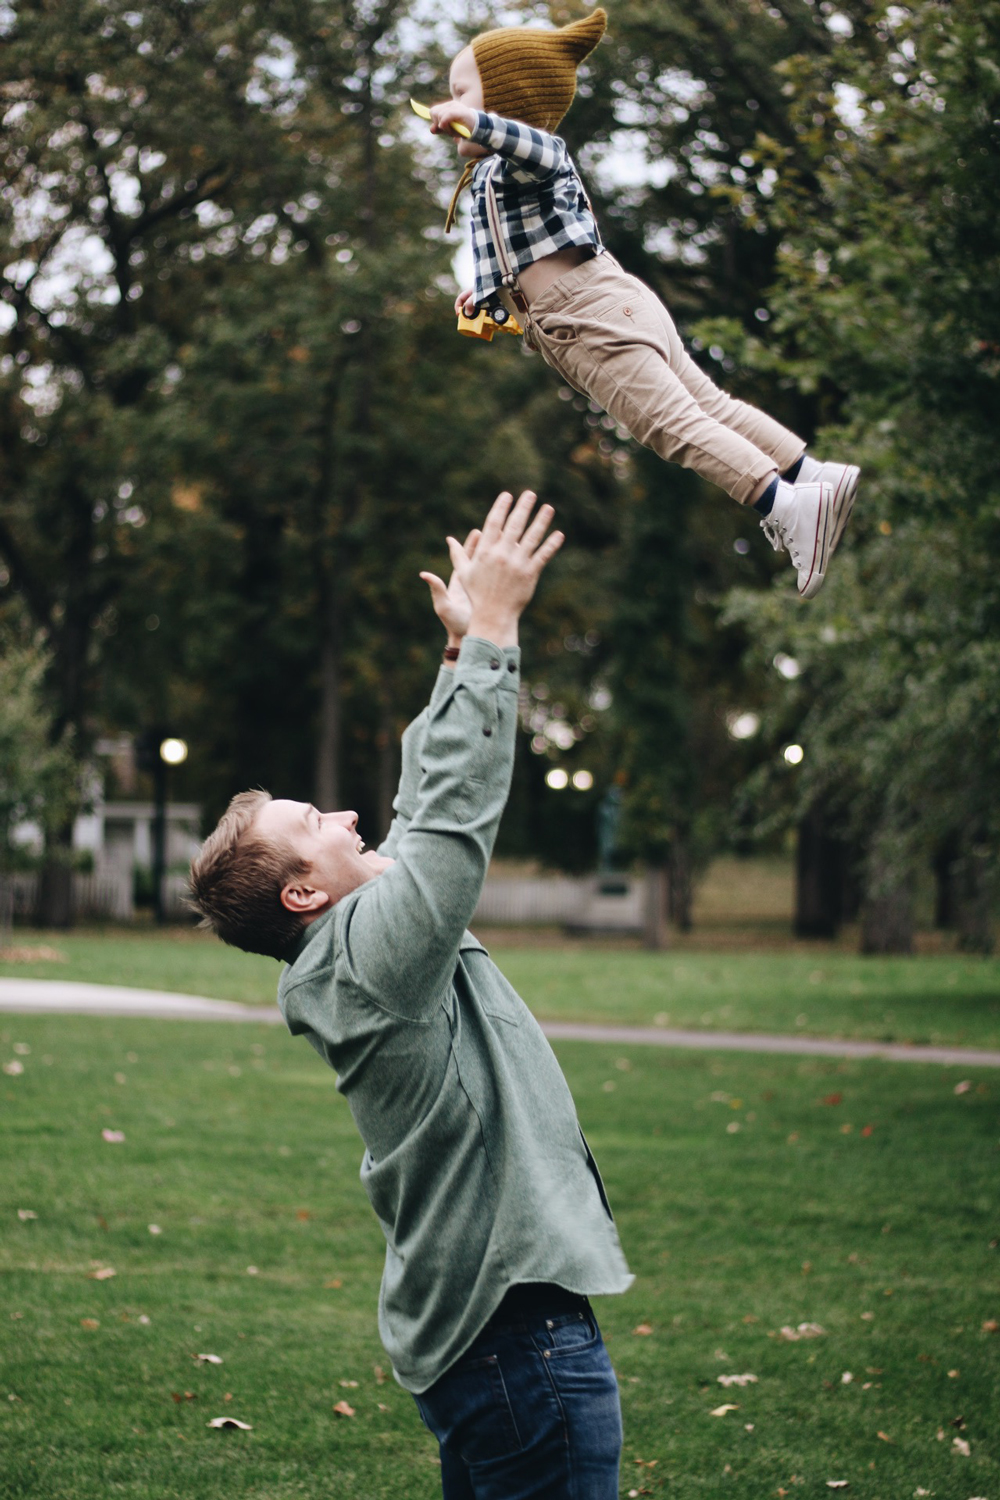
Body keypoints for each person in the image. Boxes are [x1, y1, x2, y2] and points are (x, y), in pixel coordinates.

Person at [189, 490, 634, 1500]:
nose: (349, 816)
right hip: (521, 1342)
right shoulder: (371, 956)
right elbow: (444, 823)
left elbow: (411, 817)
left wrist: (451, 662)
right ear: (304, 892)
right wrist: (493, 636)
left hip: (489, 1345)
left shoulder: (354, 954)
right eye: (319, 823)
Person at [419, 8, 860, 600]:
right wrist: (492, 298)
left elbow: (541, 149)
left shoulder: (524, 159)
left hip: (586, 316)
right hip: (606, 298)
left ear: (505, 97)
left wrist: (474, 118)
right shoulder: (494, 178)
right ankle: (814, 476)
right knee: (707, 404)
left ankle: (785, 504)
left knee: (666, 424)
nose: (446, 107)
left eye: (460, 90)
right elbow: (532, 256)